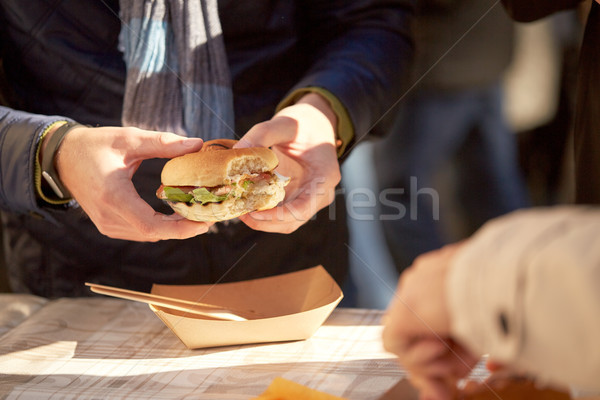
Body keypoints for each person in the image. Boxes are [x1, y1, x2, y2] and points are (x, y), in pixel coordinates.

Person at [0, 0, 414, 297]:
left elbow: (372, 18)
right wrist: (50, 151)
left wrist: (326, 110)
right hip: (74, 268)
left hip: (288, 255)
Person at [382, 1, 600, 398]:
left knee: (399, 195)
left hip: (442, 59)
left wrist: (470, 291)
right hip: (484, 59)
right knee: (492, 188)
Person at [373, 0, 529, 274]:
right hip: (480, 55)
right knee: (491, 186)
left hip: (438, 64)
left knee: (399, 194)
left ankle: (437, 297)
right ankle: (514, 289)